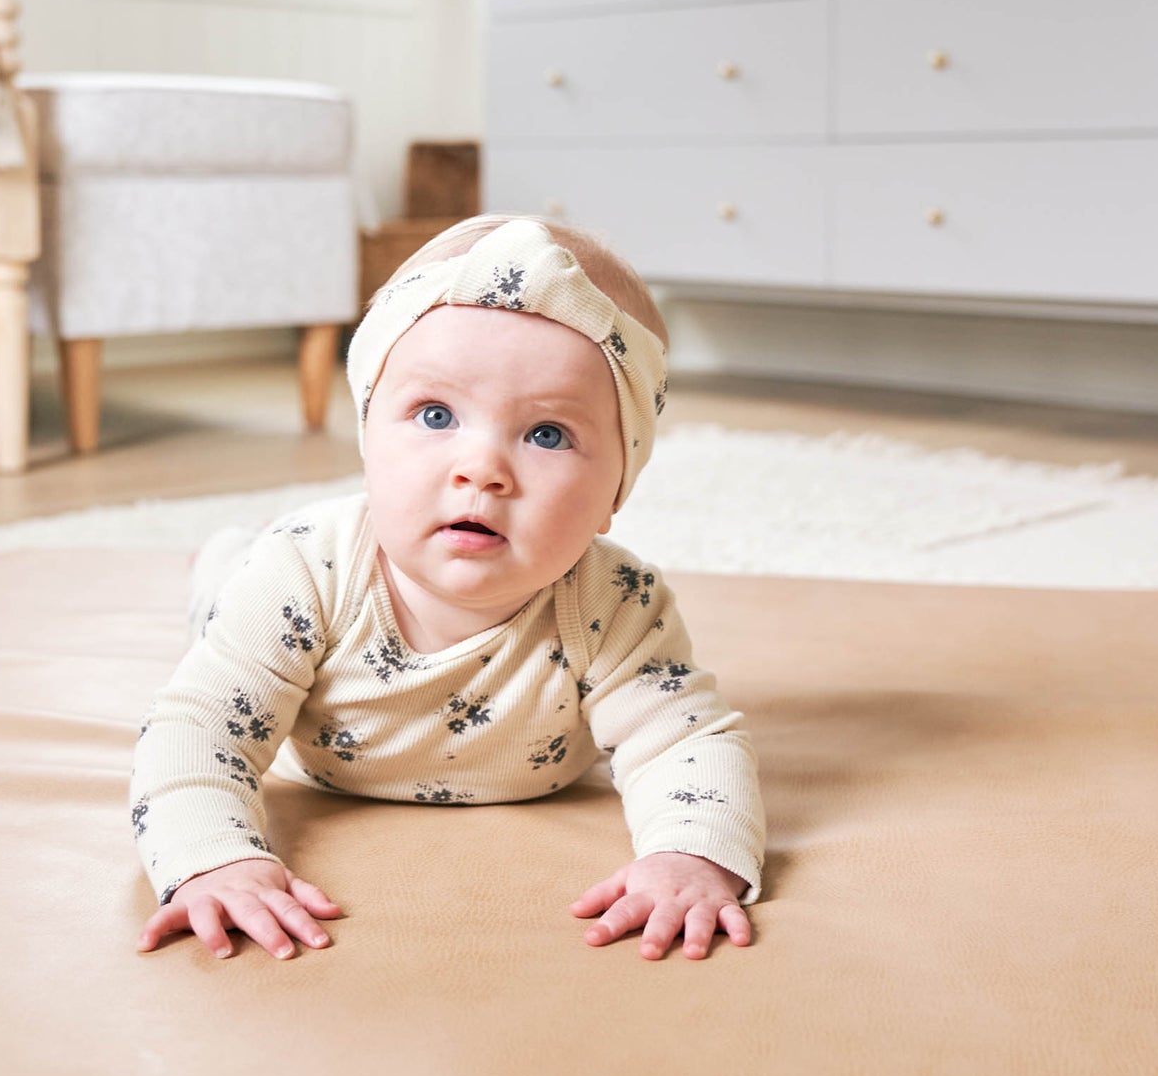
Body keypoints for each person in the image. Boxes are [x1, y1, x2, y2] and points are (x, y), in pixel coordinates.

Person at [131, 213, 766, 964]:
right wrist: (214, 859)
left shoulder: (616, 601)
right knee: (232, 594)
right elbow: (198, 729)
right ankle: (223, 557)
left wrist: (690, 855)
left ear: (615, 490)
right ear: (368, 441)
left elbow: (684, 741)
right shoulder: (305, 572)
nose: (482, 468)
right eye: (435, 416)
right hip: (278, 622)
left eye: (548, 434)